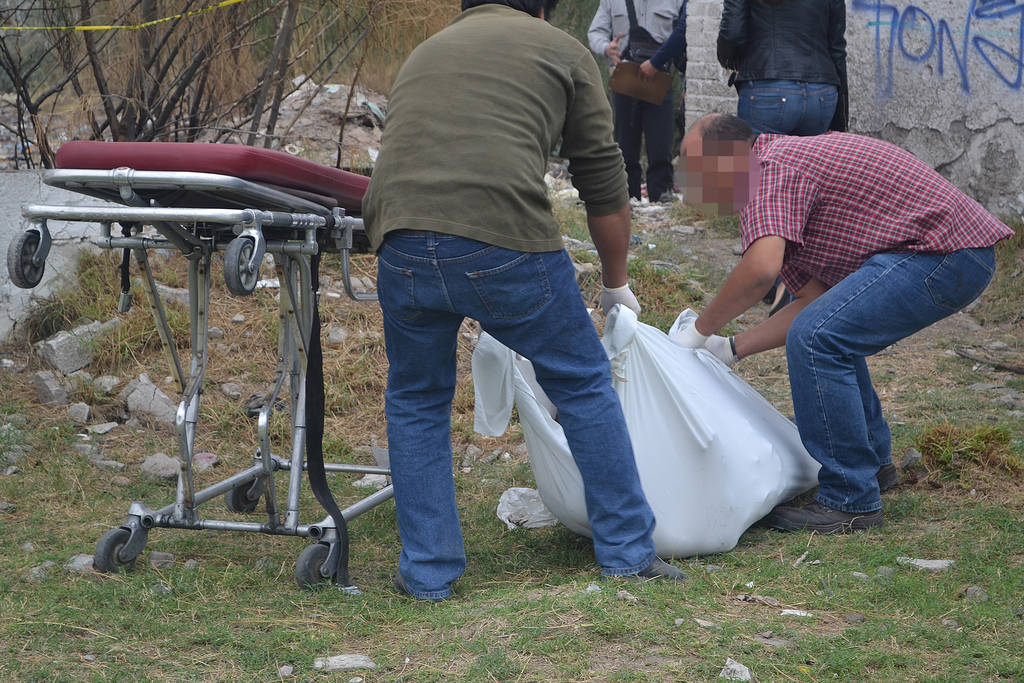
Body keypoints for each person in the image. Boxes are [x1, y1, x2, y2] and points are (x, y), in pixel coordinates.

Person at [361, 0, 685, 601]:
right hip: (502, 237)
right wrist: (615, 282)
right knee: (581, 380)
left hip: (399, 238)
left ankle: (428, 574)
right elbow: (603, 181)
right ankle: (627, 552)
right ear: (541, 10)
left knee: (415, 398)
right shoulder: (561, 50)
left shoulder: (426, 51)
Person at [673, 113, 1015, 534]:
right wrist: (730, 348)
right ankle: (871, 465)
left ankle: (851, 498)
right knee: (826, 330)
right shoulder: (776, 179)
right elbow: (812, 302)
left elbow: (760, 271)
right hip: (949, 253)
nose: (688, 179)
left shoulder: (769, 169)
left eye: (693, 163)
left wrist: (699, 332)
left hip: (944, 253)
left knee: (818, 338)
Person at [589, 0, 686, 203]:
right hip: (625, 79)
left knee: (661, 146)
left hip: (659, 81)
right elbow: (595, 32)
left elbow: (684, 33)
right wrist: (606, 48)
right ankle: (626, 200)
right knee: (625, 146)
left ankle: (662, 198)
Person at [718, 0, 848, 136]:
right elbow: (837, 50)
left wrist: (731, 62)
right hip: (821, 95)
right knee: (809, 151)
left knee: (758, 150)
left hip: (766, 88)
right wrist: (841, 120)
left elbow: (732, 34)